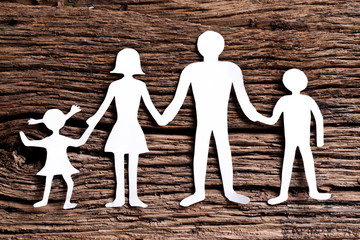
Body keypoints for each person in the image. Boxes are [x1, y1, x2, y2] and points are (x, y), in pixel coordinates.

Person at [161, 31, 263, 207]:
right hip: (203, 120)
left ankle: (228, 191)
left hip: (218, 121)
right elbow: (177, 100)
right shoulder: (192, 70)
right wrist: (165, 118)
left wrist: (258, 117)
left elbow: (243, 101)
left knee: (219, 150)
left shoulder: (230, 69)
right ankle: (199, 192)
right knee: (203, 151)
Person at [86, 48, 163, 208]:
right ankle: (120, 197)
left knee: (127, 163)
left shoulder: (128, 86)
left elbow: (150, 108)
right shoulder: (123, 85)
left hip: (127, 127)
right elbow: (104, 106)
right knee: (123, 163)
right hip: (124, 127)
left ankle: (131, 197)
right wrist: (94, 119)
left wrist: (160, 119)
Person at [257, 68, 331, 205]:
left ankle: (313, 190)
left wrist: (319, 140)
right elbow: (273, 120)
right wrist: (257, 117)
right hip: (290, 140)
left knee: (308, 163)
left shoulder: (307, 100)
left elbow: (319, 118)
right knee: (287, 164)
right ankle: (283, 193)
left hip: (304, 140)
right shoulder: (284, 100)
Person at [19, 105, 94, 209]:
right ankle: (63, 202)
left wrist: (22, 134)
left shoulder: (48, 140)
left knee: (50, 181)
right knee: (67, 182)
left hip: (55, 164)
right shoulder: (61, 139)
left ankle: (49, 201)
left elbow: (28, 143)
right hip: (59, 163)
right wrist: (90, 128)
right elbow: (80, 142)